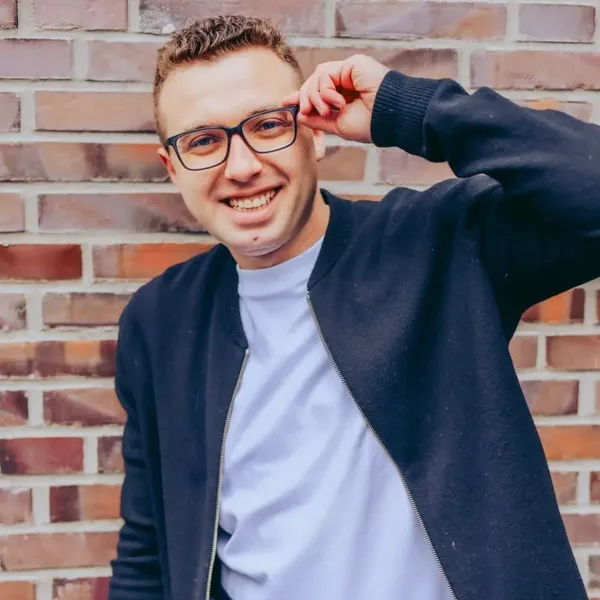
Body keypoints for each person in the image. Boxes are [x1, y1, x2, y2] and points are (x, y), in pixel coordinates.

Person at [108, 13, 600, 600]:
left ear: (314, 132)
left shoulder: (437, 243)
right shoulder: (160, 320)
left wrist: (409, 108)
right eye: (204, 141)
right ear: (172, 167)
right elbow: (148, 551)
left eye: (268, 125)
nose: (241, 167)